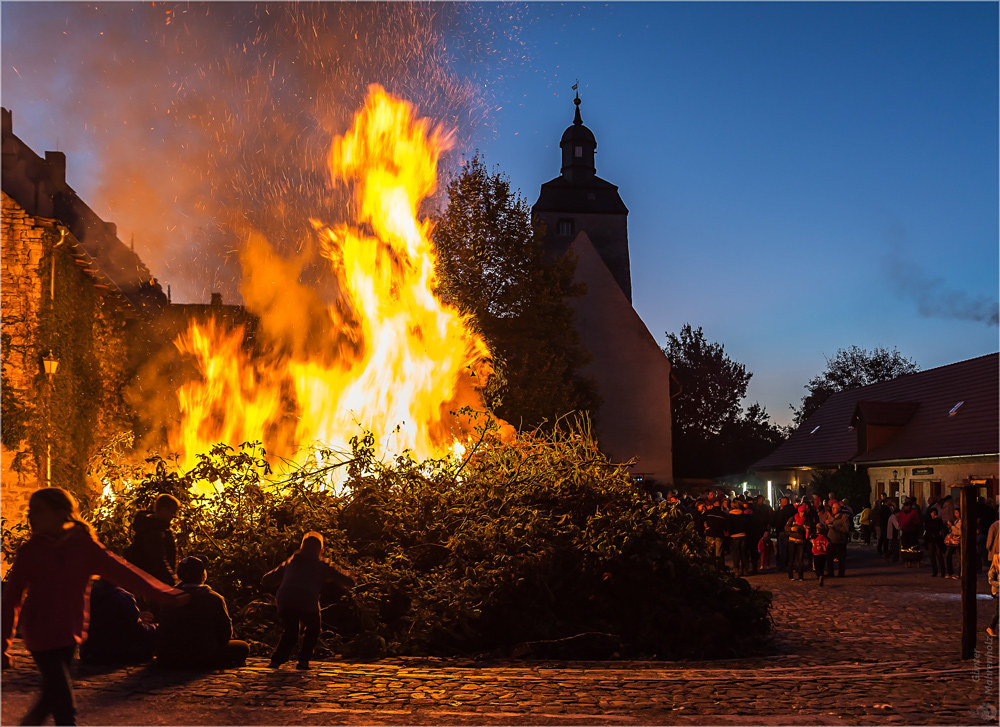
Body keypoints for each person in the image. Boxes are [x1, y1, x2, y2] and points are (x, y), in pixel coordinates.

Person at [1, 487, 187, 726]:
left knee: (50, 697)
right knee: (63, 702)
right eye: (31, 510)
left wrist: (166, 594)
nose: (31, 516)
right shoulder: (30, 551)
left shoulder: (84, 547)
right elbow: (11, 598)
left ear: (60, 513)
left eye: (37, 510)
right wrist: (2, 644)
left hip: (70, 633)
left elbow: (125, 573)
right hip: (41, 635)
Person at [262, 532, 355, 670]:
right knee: (313, 629)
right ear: (321, 550)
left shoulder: (290, 562)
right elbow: (345, 579)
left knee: (291, 631)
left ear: (301, 547)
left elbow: (266, 579)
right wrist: (351, 580)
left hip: (285, 599)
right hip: (307, 600)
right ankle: (303, 660)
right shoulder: (321, 564)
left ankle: (277, 660)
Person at [155, 556, 249, 669]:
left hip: (171, 655)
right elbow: (225, 632)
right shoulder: (214, 598)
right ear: (203, 575)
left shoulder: (168, 597)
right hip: (204, 655)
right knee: (243, 647)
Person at [78, 578, 156, 665]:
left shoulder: (89, 595)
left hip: (91, 653)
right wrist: (155, 627)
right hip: (117, 654)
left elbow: (105, 616)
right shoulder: (124, 596)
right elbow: (138, 630)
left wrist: (138, 615)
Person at [125, 494, 181, 587]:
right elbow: (159, 562)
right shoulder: (154, 532)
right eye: (172, 512)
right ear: (164, 510)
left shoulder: (153, 527)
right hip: (155, 586)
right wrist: (172, 584)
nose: (174, 515)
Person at [826, 501, 850, 577]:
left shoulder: (843, 517)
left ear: (838, 509)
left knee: (841, 558)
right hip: (831, 540)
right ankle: (830, 572)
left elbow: (846, 529)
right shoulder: (831, 516)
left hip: (839, 540)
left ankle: (841, 573)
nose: (833, 509)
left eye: (834, 508)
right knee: (829, 557)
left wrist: (836, 527)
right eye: (832, 508)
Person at [785, 505, 809, 581]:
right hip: (792, 540)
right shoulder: (792, 518)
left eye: (804, 512)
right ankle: (790, 575)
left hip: (801, 541)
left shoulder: (806, 520)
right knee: (791, 558)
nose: (802, 514)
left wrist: (804, 529)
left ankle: (800, 576)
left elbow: (808, 528)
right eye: (801, 512)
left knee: (800, 558)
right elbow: (786, 527)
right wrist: (791, 528)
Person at [726, 501, 750, 577]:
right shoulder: (743, 515)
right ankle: (744, 569)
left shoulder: (730, 516)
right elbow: (747, 525)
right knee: (743, 553)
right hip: (743, 535)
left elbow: (729, 526)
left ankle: (736, 570)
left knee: (735, 554)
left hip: (734, 536)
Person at [773, 496, 795, 569]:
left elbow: (779, 520)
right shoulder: (792, 509)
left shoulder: (784, 511)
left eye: (781, 501)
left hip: (783, 531)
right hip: (789, 531)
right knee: (789, 549)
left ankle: (783, 564)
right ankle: (789, 563)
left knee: (783, 549)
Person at [924, 507, 946, 578]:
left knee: (939, 555)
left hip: (937, 539)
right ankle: (934, 571)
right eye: (932, 512)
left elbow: (938, 527)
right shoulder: (928, 520)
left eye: (934, 512)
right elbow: (928, 528)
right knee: (932, 555)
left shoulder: (938, 520)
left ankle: (943, 571)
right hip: (931, 539)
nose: (933, 514)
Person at [944, 510, 961, 579]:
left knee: (959, 557)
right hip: (953, 540)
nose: (955, 514)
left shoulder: (961, 521)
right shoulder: (956, 521)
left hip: (958, 540)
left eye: (957, 513)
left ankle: (960, 573)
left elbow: (959, 532)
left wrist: (952, 526)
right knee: (948, 555)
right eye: (955, 513)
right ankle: (950, 572)